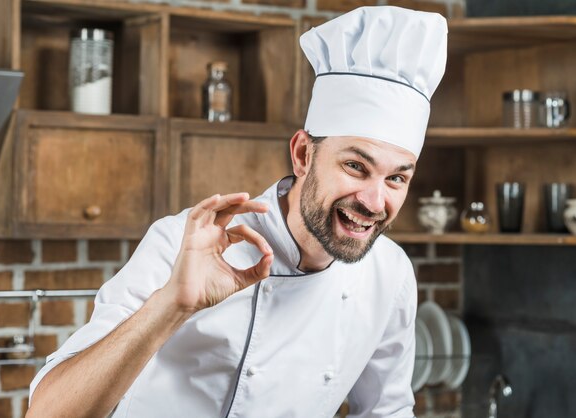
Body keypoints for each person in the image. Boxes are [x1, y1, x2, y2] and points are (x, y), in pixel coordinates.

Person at [27, 6, 447, 418]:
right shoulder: (186, 242)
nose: (375, 202)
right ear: (303, 154)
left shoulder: (390, 274)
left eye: (396, 179)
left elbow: (386, 410)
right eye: (355, 167)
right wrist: (172, 305)